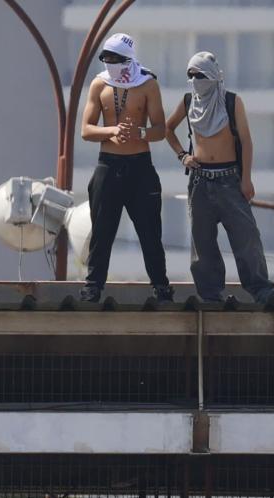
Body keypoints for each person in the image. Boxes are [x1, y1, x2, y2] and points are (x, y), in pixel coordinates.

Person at [164, 51, 274, 304]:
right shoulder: (188, 102)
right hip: (199, 181)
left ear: (214, 77)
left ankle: (261, 289)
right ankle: (210, 295)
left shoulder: (231, 101)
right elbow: (167, 128)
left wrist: (246, 179)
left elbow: (247, 142)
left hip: (229, 179)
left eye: (201, 75)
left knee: (246, 236)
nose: (196, 80)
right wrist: (183, 156)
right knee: (202, 242)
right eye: (191, 75)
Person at [78, 33, 173, 303]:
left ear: (128, 60)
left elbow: (160, 129)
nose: (110, 64)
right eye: (106, 59)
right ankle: (93, 285)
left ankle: (160, 285)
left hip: (140, 167)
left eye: (115, 60)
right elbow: (86, 130)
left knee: (150, 230)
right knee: (102, 230)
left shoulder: (147, 84)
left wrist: (138, 133)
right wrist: (112, 131)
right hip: (108, 165)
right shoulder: (99, 84)